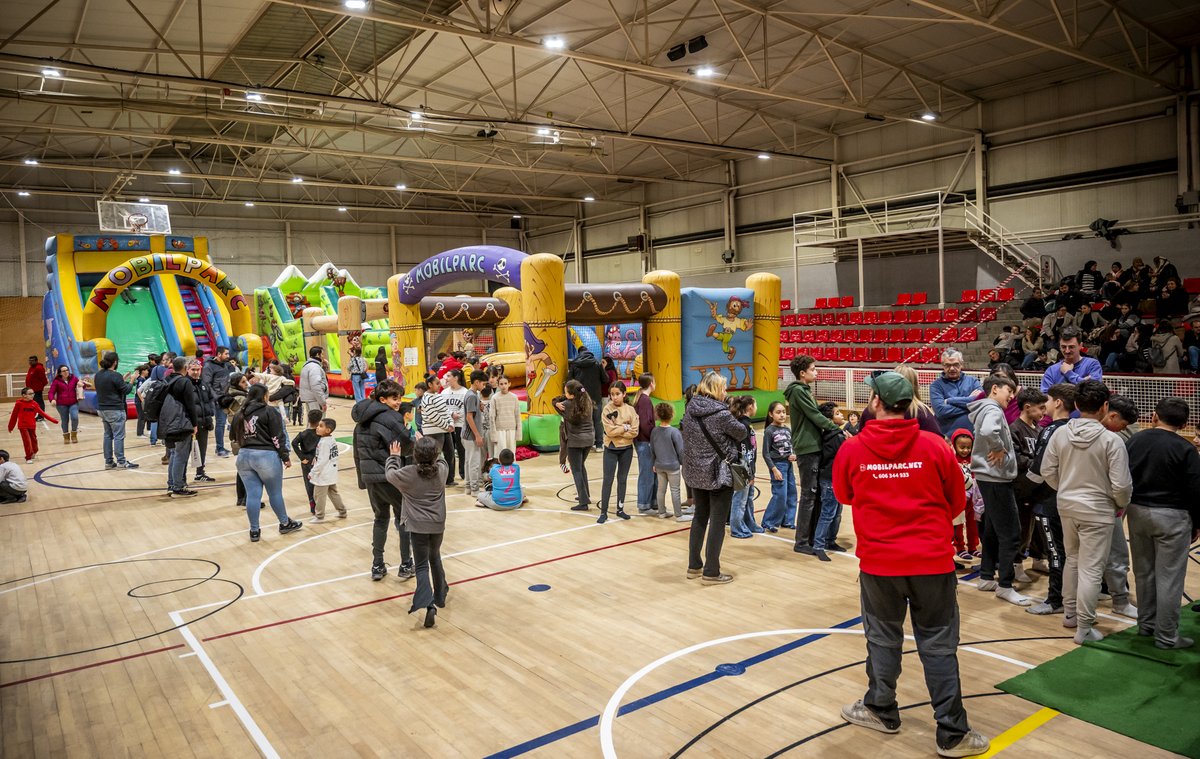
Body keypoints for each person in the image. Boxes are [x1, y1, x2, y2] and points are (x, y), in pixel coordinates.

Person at [833, 371, 989, 759]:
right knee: (938, 643)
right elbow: (957, 503)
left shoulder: (852, 450)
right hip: (932, 563)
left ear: (874, 402)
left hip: (879, 564)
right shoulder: (936, 446)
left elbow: (844, 495)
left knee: (882, 639)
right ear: (911, 404)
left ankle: (881, 709)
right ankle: (952, 733)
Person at [1040, 380, 1133, 644]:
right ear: (1105, 407)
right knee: (1091, 569)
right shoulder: (1111, 440)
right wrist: (1118, 503)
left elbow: (1047, 471)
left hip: (1067, 506)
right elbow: (1122, 485)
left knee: (1073, 560)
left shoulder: (1059, 433)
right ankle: (1083, 627)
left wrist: (1066, 489)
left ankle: (1070, 614)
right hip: (1098, 511)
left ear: (1077, 405)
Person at [1125, 397, 1200, 649]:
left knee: (1144, 572)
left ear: (1155, 416)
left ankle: (1146, 625)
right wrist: (1197, 522)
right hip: (1172, 516)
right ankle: (1167, 636)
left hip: (1136, 512)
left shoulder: (1134, 441)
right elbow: (1195, 490)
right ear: (1184, 423)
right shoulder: (1185, 449)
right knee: (1169, 578)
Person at [967, 375, 1031, 606]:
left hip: (988, 478)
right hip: (996, 478)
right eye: (1009, 391)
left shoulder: (985, 407)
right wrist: (1000, 447)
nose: (1012, 396)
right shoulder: (992, 409)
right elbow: (987, 431)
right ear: (994, 389)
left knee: (993, 529)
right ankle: (1005, 585)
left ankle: (986, 577)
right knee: (1012, 533)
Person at [681, 371, 748, 584]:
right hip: (719, 473)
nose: (726, 392)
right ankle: (711, 571)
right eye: (724, 388)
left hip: (695, 472)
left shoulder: (690, 409)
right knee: (717, 522)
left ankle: (694, 566)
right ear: (717, 389)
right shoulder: (722, 414)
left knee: (700, 517)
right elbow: (741, 433)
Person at [352, 379, 415, 581]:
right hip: (391, 475)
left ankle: (377, 565)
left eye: (399, 398)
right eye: (394, 398)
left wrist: (363, 479)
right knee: (402, 519)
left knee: (380, 519)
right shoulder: (390, 418)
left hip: (371, 478)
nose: (399, 403)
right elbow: (405, 446)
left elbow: (357, 453)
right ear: (382, 399)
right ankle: (406, 564)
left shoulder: (360, 422)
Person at [1023, 383, 1076, 615]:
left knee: (1056, 552)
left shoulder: (1050, 430)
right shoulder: (1078, 427)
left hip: (1050, 500)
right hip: (1076, 500)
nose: (1044, 405)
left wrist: (1021, 493)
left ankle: (1055, 600)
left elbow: (1038, 471)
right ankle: (1075, 597)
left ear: (1058, 402)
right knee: (1073, 553)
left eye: (1048, 399)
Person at [385, 436, 448, 628]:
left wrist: (394, 457)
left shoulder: (408, 474)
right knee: (435, 557)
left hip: (417, 526)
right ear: (435, 455)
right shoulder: (442, 471)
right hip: (437, 524)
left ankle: (428, 604)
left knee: (421, 566)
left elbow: (390, 474)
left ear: (415, 455)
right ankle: (440, 596)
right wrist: (429, 444)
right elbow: (443, 459)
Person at [785, 355, 844, 555]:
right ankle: (801, 541)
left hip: (814, 445)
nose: (816, 372)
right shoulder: (798, 392)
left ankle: (813, 537)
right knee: (809, 495)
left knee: (816, 495)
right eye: (813, 369)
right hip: (807, 448)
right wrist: (837, 429)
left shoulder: (805, 391)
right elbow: (815, 415)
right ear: (803, 373)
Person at [232, 384, 302, 541]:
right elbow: (277, 437)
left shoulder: (239, 413)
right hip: (266, 456)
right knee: (275, 493)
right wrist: (285, 457)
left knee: (252, 495)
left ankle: (254, 531)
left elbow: (232, 436)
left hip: (244, 457)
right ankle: (284, 523)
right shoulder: (270, 411)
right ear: (264, 396)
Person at [1009, 387, 1048, 581]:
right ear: (1027, 407)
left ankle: (1038, 557)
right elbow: (1016, 459)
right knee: (1023, 528)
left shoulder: (1039, 429)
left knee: (1039, 526)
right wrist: (1038, 464)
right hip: (1022, 488)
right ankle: (1016, 564)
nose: (1044, 412)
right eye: (1041, 408)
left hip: (1038, 488)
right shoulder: (1014, 429)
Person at [159, 356, 202, 497]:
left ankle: (172, 484)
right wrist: (194, 424)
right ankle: (178, 487)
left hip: (168, 422)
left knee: (174, 454)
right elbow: (190, 405)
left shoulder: (167, 379)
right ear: (185, 368)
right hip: (182, 423)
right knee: (181, 455)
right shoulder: (184, 382)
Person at [598, 381, 639, 523]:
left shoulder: (631, 410)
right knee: (607, 480)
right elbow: (609, 431)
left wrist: (619, 429)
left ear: (624, 394)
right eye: (612, 394)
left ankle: (620, 509)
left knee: (622, 479)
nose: (614, 397)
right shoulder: (606, 410)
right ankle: (603, 512)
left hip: (626, 449)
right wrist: (624, 427)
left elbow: (634, 431)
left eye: (617, 394)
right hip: (611, 448)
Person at [812, 401, 847, 561]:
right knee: (828, 513)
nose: (841, 415)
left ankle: (830, 540)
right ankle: (819, 545)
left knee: (837, 513)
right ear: (830, 419)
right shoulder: (835, 436)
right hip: (830, 480)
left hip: (836, 479)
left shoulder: (836, 434)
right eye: (838, 413)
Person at [93, 352, 138, 470]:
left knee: (108, 435)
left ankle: (108, 462)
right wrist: (132, 380)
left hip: (102, 409)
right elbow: (126, 390)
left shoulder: (98, 374)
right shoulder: (115, 375)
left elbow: (110, 387)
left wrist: (122, 379)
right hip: (115, 409)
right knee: (118, 436)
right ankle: (121, 462)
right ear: (115, 362)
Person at [557, 379, 595, 513]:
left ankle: (584, 502)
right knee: (581, 466)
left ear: (571, 394)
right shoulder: (587, 400)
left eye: (565, 392)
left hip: (575, 441)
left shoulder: (567, 404)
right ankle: (585, 495)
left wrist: (557, 401)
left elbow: (554, 402)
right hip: (589, 440)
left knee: (576, 470)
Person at [728, 395, 762, 539]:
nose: (756, 407)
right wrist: (749, 472)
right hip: (741, 466)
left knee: (748, 497)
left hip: (748, 466)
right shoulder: (742, 425)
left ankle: (749, 522)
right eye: (755, 404)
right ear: (750, 407)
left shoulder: (747, 424)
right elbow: (744, 450)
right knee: (740, 499)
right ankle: (736, 528)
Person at [761, 401, 797, 532]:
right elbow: (765, 453)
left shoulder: (787, 429)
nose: (782, 415)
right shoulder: (769, 431)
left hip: (788, 465)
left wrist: (794, 455)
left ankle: (788, 520)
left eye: (783, 412)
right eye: (778, 412)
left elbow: (792, 447)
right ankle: (769, 521)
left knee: (792, 493)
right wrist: (774, 469)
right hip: (778, 466)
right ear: (771, 414)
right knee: (780, 495)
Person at [929, 349, 982, 436]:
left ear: (961, 364)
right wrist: (970, 403)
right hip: (947, 438)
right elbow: (941, 411)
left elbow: (980, 402)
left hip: (973, 436)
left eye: (956, 364)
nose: (952, 368)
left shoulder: (973, 381)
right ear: (943, 366)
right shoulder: (935, 386)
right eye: (948, 365)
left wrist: (951, 400)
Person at [650, 402, 686, 521]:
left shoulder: (654, 431)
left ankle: (661, 512)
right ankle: (679, 515)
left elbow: (652, 449)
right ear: (672, 415)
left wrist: (654, 463)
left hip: (659, 465)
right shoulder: (675, 432)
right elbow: (680, 450)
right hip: (672, 466)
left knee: (661, 490)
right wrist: (682, 463)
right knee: (675, 490)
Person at [949, 430, 981, 561]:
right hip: (959, 497)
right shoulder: (951, 459)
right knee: (959, 524)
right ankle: (960, 547)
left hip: (973, 497)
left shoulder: (974, 459)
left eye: (968, 447)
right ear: (954, 445)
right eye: (962, 447)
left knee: (973, 523)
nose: (965, 450)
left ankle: (973, 546)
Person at [308, 418, 347, 522]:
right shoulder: (331, 439)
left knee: (318, 495)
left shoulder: (324, 443)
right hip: (331, 471)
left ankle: (319, 516)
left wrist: (312, 472)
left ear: (328, 430)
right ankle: (342, 511)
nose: (317, 427)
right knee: (333, 492)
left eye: (321, 426)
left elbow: (322, 461)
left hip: (324, 473)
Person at [1040, 326, 1102, 392]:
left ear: (1080, 346)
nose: (1067, 351)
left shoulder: (1093, 364)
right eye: (1063, 347)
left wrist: (1069, 373)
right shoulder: (1051, 370)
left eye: (1071, 347)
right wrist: (1082, 382)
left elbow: (1094, 392)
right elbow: (1046, 398)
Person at [418, 381, 455, 486]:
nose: (440, 385)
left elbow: (445, 410)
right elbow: (433, 416)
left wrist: (451, 423)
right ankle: (434, 480)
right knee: (434, 456)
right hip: (433, 431)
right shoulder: (426, 398)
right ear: (430, 384)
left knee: (450, 454)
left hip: (445, 429)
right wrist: (446, 426)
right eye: (437, 383)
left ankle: (449, 479)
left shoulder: (438, 395)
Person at [568, 347, 606, 450]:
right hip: (596, 397)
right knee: (597, 421)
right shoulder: (597, 364)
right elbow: (605, 379)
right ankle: (599, 445)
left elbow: (569, 381)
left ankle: (585, 445)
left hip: (580, 398)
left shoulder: (575, 364)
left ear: (579, 353)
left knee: (583, 420)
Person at [8, 388, 57, 464]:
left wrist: (53, 420)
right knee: (27, 441)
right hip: (23, 426)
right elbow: (14, 416)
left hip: (32, 425)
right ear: (24, 395)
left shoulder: (34, 404)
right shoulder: (19, 404)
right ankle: (28, 457)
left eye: (33, 393)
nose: (32, 395)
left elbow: (42, 413)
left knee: (34, 441)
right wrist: (10, 426)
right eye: (30, 394)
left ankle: (34, 451)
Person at [632, 373, 658, 515]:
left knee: (652, 473)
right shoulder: (645, 400)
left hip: (644, 441)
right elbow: (645, 423)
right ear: (651, 384)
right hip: (645, 441)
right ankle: (644, 504)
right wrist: (655, 435)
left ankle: (652, 502)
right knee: (647, 474)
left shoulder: (642, 399)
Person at [200, 346, 233, 457]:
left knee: (223, 423)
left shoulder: (225, 365)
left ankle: (221, 447)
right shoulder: (209, 366)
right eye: (226, 354)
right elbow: (206, 384)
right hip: (217, 400)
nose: (228, 356)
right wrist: (217, 398)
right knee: (220, 423)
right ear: (219, 354)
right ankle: (219, 448)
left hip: (225, 398)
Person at [189, 358, 217, 483]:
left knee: (202, 449)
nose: (195, 372)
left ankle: (200, 473)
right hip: (190, 425)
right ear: (187, 370)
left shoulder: (204, 384)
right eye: (193, 369)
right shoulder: (185, 384)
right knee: (185, 452)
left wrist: (210, 417)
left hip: (204, 423)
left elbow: (211, 399)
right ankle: (179, 478)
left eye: (198, 370)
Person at [291, 409, 322, 515]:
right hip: (317, 460)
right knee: (319, 483)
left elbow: (294, 443)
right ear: (320, 421)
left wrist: (301, 457)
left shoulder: (303, 434)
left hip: (306, 461)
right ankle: (319, 504)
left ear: (308, 419)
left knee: (308, 483)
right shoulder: (320, 434)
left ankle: (312, 504)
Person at [462, 370, 488, 497]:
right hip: (471, 436)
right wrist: (477, 435)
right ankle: (475, 489)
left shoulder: (472, 394)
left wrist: (479, 407)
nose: (484, 386)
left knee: (469, 461)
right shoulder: (472, 396)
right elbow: (469, 417)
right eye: (483, 383)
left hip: (467, 435)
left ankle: (468, 487)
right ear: (477, 382)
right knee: (474, 463)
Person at [442, 369, 469, 485]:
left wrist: (458, 415)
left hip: (460, 425)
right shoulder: (444, 392)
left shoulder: (465, 392)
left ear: (456, 378)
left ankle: (463, 473)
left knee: (462, 450)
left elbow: (466, 409)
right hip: (447, 425)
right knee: (449, 452)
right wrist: (451, 414)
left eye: (449, 376)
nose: (446, 378)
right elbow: (441, 407)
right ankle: (450, 477)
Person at [46, 365, 80, 444]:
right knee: (65, 420)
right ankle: (66, 436)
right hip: (61, 404)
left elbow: (80, 385)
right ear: (60, 373)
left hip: (73, 402)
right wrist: (52, 400)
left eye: (67, 370)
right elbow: (51, 392)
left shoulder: (73, 378)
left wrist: (85, 385)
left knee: (74, 417)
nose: (66, 372)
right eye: (63, 371)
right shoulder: (56, 381)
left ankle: (74, 434)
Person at [489, 375, 521, 457]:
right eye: (501, 384)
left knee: (511, 454)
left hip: (511, 429)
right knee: (499, 454)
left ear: (509, 384)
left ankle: (511, 470)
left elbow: (517, 415)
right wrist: (493, 435)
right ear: (498, 385)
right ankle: (500, 470)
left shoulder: (514, 397)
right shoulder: (494, 398)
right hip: (499, 430)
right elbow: (492, 417)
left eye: (505, 383)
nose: (503, 386)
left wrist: (518, 433)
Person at [298, 346, 329, 417]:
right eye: (322, 354)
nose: (323, 356)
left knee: (312, 422)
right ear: (318, 355)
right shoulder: (314, 367)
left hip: (311, 398)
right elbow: (316, 385)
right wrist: (322, 402)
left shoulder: (308, 365)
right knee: (318, 422)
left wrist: (324, 367)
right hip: (315, 399)